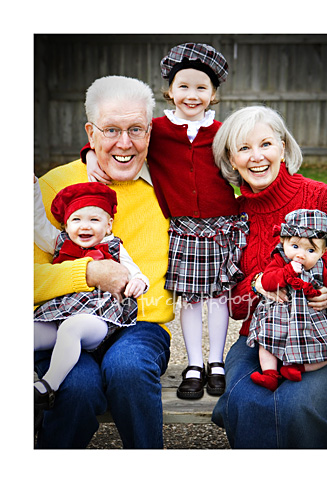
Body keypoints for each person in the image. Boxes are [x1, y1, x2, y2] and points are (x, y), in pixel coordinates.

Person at [82, 43, 249, 400]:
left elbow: (249, 154)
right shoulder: (156, 130)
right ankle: (193, 363)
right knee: (189, 299)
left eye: (202, 87)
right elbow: (125, 143)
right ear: (170, 91)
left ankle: (215, 363)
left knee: (218, 297)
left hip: (222, 226)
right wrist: (87, 155)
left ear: (214, 94)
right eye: (183, 86)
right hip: (185, 229)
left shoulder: (222, 132)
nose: (192, 95)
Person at [211, 105, 327, 448]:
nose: (257, 157)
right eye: (244, 148)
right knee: (246, 402)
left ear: (283, 146)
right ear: (231, 159)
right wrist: (256, 285)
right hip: (265, 337)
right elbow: (236, 307)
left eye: (266, 144)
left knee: (297, 406)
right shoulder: (234, 219)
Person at [34, 75, 173, 449]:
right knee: (76, 387)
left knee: (128, 369)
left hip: (140, 323)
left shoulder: (168, 185)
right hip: (67, 324)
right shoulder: (53, 188)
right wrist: (89, 272)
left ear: (150, 132)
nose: (124, 143)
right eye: (111, 130)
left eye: (136, 130)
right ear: (90, 133)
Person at [33, 180, 149, 434]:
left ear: (108, 225)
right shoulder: (60, 243)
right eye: (76, 220)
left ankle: (45, 387)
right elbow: (37, 224)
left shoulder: (114, 247)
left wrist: (139, 282)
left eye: (94, 220)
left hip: (95, 320)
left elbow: (136, 272)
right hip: (58, 317)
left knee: (73, 328)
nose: (84, 226)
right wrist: (31, 189)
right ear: (66, 224)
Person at [248, 208, 327, 391]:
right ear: (283, 241)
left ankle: (295, 368)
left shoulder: (323, 267)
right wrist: (286, 273)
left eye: (310, 250)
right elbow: (268, 282)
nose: (301, 255)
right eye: (295, 246)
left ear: (323, 251)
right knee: (266, 344)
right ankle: (269, 374)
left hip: (309, 319)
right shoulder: (279, 260)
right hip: (278, 316)